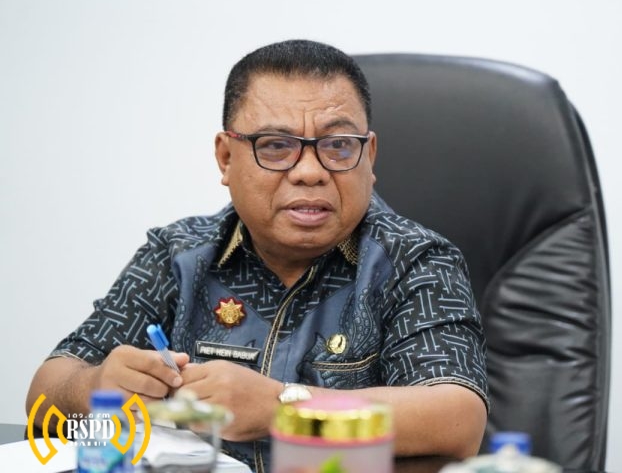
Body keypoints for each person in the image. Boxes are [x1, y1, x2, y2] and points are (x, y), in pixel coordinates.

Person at [26, 39, 488, 471]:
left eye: (338, 146)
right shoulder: (179, 255)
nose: (310, 172)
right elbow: (45, 394)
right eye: (276, 146)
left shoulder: (414, 260)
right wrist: (97, 387)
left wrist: (281, 408)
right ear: (226, 158)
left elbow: (456, 420)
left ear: (369, 156)